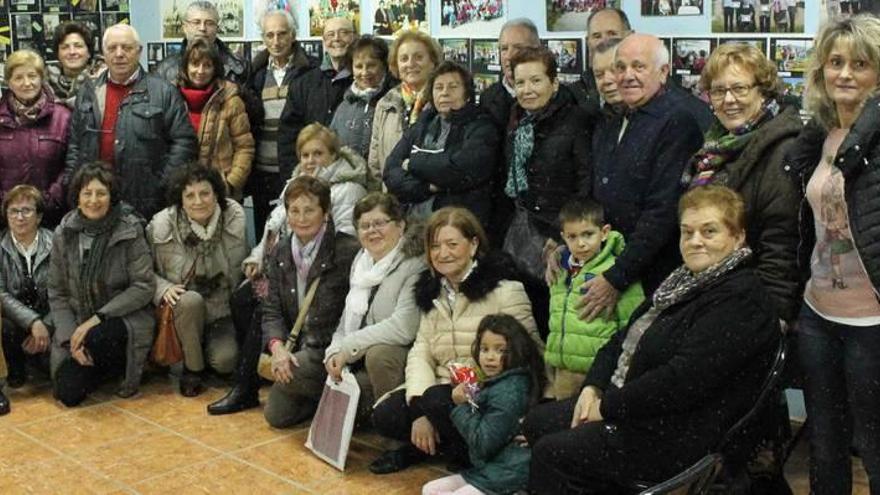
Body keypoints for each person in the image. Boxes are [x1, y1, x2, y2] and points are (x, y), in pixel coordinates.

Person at [524, 185, 779, 494]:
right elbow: (621, 340)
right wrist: (593, 387)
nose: (695, 241)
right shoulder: (681, 282)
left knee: (552, 453)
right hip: (639, 408)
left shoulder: (740, 299)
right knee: (537, 422)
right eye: (687, 232)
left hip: (678, 433)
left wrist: (606, 408)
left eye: (709, 231)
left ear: (737, 237)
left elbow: (680, 382)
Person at [370, 207, 542, 475]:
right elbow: (421, 351)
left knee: (439, 400)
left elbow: (530, 354)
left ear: (473, 245)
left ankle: (452, 451)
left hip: (487, 393)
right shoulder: (431, 293)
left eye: (452, 244)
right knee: (386, 415)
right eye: (435, 246)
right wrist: (419, 409)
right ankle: (449, 447)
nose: (443, 253)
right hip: (440, 391)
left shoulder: (506, 291)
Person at [784, 15, 880, 494]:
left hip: (872, 321)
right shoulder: (818, 137)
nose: (844, 73)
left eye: (860, 64)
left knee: (875, 440)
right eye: (835, 62)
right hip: (818, 310)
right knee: (824, 440)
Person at [587, 33, 704, 324]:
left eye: (638, 67)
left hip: (650, 276)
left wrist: (617, 277)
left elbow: (662, 211)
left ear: (663, 72)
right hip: (611, 262)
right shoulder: (614, 120)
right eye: (620, 67)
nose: (626, 76)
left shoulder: (677, 121)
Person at [683, 43, 801, 323]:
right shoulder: (716, 145)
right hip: (712, 293)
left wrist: (770, 322)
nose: (728, 100)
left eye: (740, 88)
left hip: (750, 304)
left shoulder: (783, 148)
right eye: (718, 91)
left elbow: (781, 249)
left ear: (763, 91)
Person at [500, 46, 592, 337]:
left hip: (562, 236)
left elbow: (585, 183)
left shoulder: (576, 120)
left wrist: (560, 235)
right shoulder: (517, 120)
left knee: (556, 318)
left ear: (554, 83)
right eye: (520, 82)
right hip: (523, 230)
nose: (527, 90)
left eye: (536, 81)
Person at [64, 24, 197, 221]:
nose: (119, 54)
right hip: (96, 200)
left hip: (146, 202)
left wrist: (161, 184)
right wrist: (73, 182)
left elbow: (184, 142)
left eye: (126, 48)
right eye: (112, 48)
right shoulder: (88, 91)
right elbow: (75, 143)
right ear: (104, 53)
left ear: (139, 51)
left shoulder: (163, 92)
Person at [49, 163, 156, 407]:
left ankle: (114, 361)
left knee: (98, 338)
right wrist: (70, 339)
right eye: (87, 193)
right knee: (66, 392)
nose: (93, 200)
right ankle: (101, 366)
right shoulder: (63, 233)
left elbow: (144, 286)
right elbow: (57, 291)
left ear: (112, 197)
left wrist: (96, 319)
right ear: (77, 198)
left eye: (101, 193)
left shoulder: (129, 229)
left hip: (121, 319)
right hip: (79, 321)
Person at [262, 176, 359, 428]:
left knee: (292, 374)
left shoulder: (347, 251)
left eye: (309, 210)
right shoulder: (280, 251)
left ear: (325, 212)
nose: (301, 218)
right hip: (295, 349)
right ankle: (322, 398)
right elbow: (271, 309)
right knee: (276, 416)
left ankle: (340, 398)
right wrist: (277, 348)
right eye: (294, 211)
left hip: (328, 349)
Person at [147, 164, 248, 397]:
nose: (198, 201)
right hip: (182, 309)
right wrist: (162, 289)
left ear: (216, 195)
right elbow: (142, 272)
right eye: (189, 195)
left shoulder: (234, 217)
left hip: (221, 310)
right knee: (190, 301)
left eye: (205, 193)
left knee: (226, 362)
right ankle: (193, 369)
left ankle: (203, 348)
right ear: (180, 199)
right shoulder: (161, 225)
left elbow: (246, 257)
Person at [324, 192, 426, 421]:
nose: (372, 231)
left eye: (380, 223)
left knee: (379, 356)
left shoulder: (414, 264)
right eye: (364, 226)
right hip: (359, 354)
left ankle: (397, 436)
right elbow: (345, 318)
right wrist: (334, 351)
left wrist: (349, 347)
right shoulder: (361, 262)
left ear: (400, 225)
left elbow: (404, 327)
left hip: (400, 355)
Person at [421, 314, 546, 495]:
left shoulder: (511, 391)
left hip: (510, 475)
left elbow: (483, 443)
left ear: (517, 351)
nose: (490, 357)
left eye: (500, 350)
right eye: (484, 349)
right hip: (490, 468)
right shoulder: (495, 382)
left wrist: (461, 406)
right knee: (430, 490)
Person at [547, 198, 644, 400]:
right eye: (572, 237)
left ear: (604, 232)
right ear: (563, 237)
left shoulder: (616, 273)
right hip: (563, 372)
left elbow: (634, 322)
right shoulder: (559, 272)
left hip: (599, 374)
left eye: (588, 234)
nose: (581, 243)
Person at [384, 61, 498, 226]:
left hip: (457, 225)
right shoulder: (422, 124)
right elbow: (390, 172)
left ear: (467, 94)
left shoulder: (482, 126)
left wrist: (411, 163)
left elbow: (457, 170)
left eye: (453, 87)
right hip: (411, 222)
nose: (445, 93)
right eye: (439, 88)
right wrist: (427, 187)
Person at [247, 9, 314, 236]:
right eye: (270, 35)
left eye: (282, 34)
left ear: (293, 35)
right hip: (261, 173)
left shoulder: (310, 71)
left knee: (297, 233)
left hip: (296, 170)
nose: (276, 41)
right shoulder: (253, 74)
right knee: (264, 235)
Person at [277, 16, 357, 179]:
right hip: (311, 178)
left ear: (355, 38)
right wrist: (294, 177)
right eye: (330, 34)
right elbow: (288, 135)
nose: (336, 38)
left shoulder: (366, 79)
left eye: (344, 33)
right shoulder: (304, 82)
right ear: (323, 42)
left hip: (354, 175)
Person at [0, 49, 71, 228]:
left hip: (52, 215)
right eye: (18, 78)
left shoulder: (63, 117)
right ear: (8, 82)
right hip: (6, 218)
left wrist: (50, 200)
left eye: (32, 76)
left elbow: (71, 164)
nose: (26, 83)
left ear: (41, 78)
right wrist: (7, 203)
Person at [177, 39, 255, 200]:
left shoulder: (231, 101)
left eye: (207, 65)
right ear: (185, 67)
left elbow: (244, 147)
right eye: (195, 64)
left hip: (221, 191)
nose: (200, 71)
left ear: (215, 69)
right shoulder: (171, 98)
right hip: (182, 191)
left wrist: (231, 183)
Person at [368, 30, 441, 185]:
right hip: (392, 199)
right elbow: (375, 163)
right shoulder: (385, 104)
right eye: (404, 59)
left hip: (430, 200)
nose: (410, 64)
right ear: (396, 65)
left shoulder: (442, 103)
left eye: (419, 57)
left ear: (433, 62)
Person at [0, 186, 54, 389]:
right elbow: (1, 293)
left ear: (39, 216)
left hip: (51, 321)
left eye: (27, 210)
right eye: (13, 211)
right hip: (15, 322)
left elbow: (63, 292)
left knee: (56, 375)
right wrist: (33, 322)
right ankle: (16, 366)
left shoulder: (56, 242)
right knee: (3, 327)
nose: (20, 217)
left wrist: (46, 324)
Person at [329, 36, 396, 172]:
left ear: (384, 65)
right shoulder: (344, 106)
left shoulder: (394, 102)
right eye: (358, 66)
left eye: (371, 65)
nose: (364, 72)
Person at [153, 1, 250, 88]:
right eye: (196, 22)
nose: (202, 28)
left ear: (217, 28)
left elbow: (250, 105)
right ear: (185, 28)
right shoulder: (164, 70)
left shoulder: (238, 67)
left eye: (209, 23)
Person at [478, 18, 542, 132]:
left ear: (537, 49)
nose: (509, 56)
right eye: (504, 49)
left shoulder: (558, 97)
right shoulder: (487, 98)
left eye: (518, 48)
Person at [568, 8, 631, 117]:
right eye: (597, 36)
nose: (604, 41)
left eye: (612, 34)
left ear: (630, 36)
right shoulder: (575, 94)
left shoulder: (654, 85)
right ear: (588, 42)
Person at [46, 21, 106, 109]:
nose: (72, 52)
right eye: (65, 47)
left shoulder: (103, 82)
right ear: (58, 54)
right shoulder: (44, 86)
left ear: (89, 52)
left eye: (78, 46)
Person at [589, 38, 625, 115]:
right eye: (599, 75)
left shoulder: (655, 122)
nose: (606, 81)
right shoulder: (596, 119)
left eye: (615, 70)